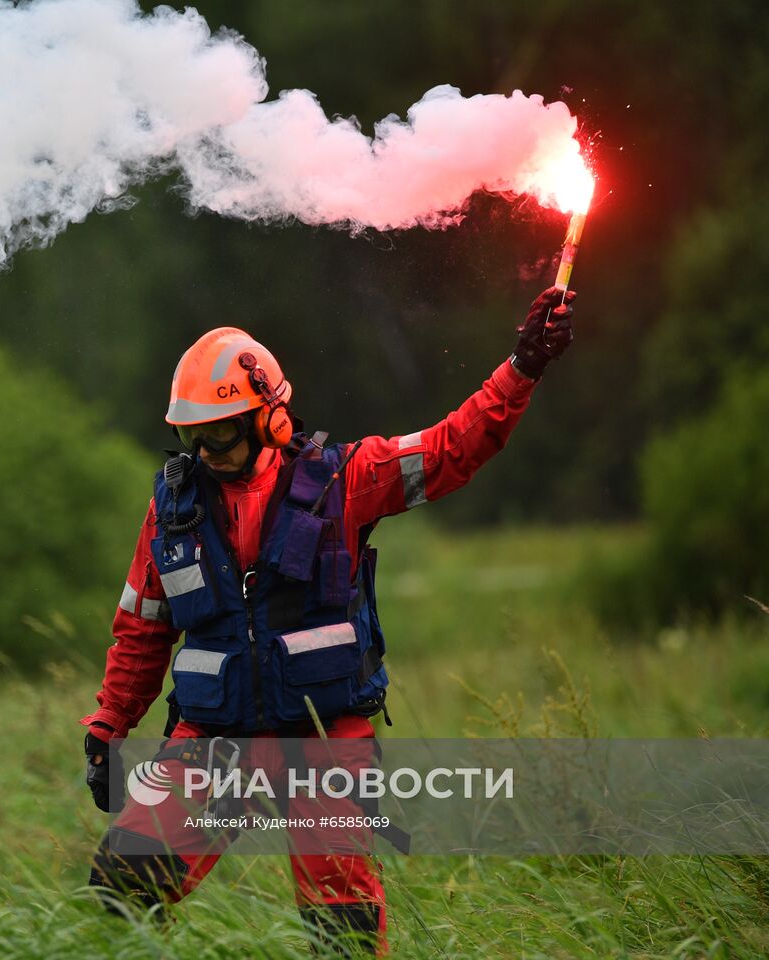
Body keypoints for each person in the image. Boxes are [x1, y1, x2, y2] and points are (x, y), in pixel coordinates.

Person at [79, 287, 577, 956]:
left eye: (219, 433)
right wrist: (110, 725)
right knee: (122, 887)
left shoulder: (349, 477)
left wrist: (523, 366)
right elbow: (141, 627)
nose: (205, 452)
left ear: (271, 420)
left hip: (325, 740)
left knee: (340, 929)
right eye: (189, 435)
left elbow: (455, 447)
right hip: (214, 739)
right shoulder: (172, 509)